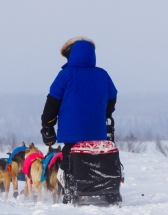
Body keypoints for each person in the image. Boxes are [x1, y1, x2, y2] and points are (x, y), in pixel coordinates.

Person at [40, 37, 117, 183]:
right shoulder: (103, 75)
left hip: (72, 134)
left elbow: (52, 103)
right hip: (97, 132)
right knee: (96, 160)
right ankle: (97, 186)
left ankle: (70, 185)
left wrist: (47, 126)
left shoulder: (65, 75)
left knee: (70, 161)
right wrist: (104, 115)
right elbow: (112, 98)